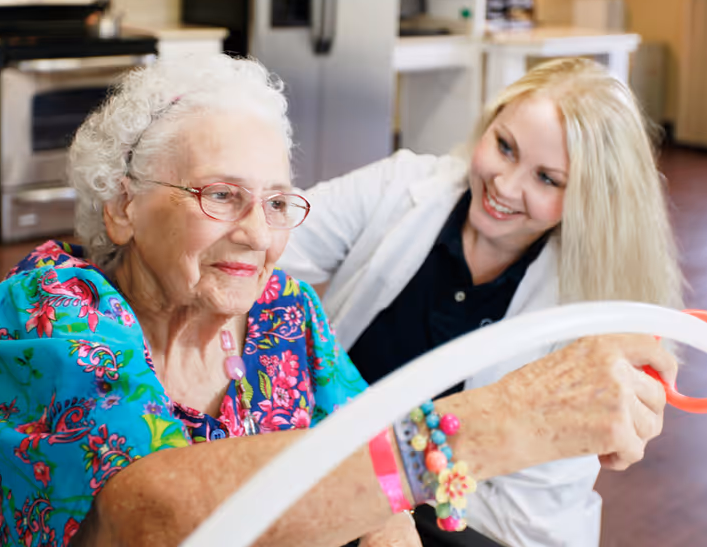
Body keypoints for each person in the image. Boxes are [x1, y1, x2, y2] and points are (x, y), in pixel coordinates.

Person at [0, 55, 677, 547]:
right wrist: (491, 426)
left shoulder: (285, 317)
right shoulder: (54, 313)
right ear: (122, 207)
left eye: (279, 202)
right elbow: (155, 517)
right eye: (221, 195)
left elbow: (382, 500)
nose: (257, 234)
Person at [279, 57, 684, 547]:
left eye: (547, 179)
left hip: (479, 529)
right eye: (504, 147)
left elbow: (523, 509)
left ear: (587, 199)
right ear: (488, 124)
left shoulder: (591, 310)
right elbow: (266, 244)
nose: (506, 186)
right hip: (336, 492)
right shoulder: (401, 186)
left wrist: (381, 499)